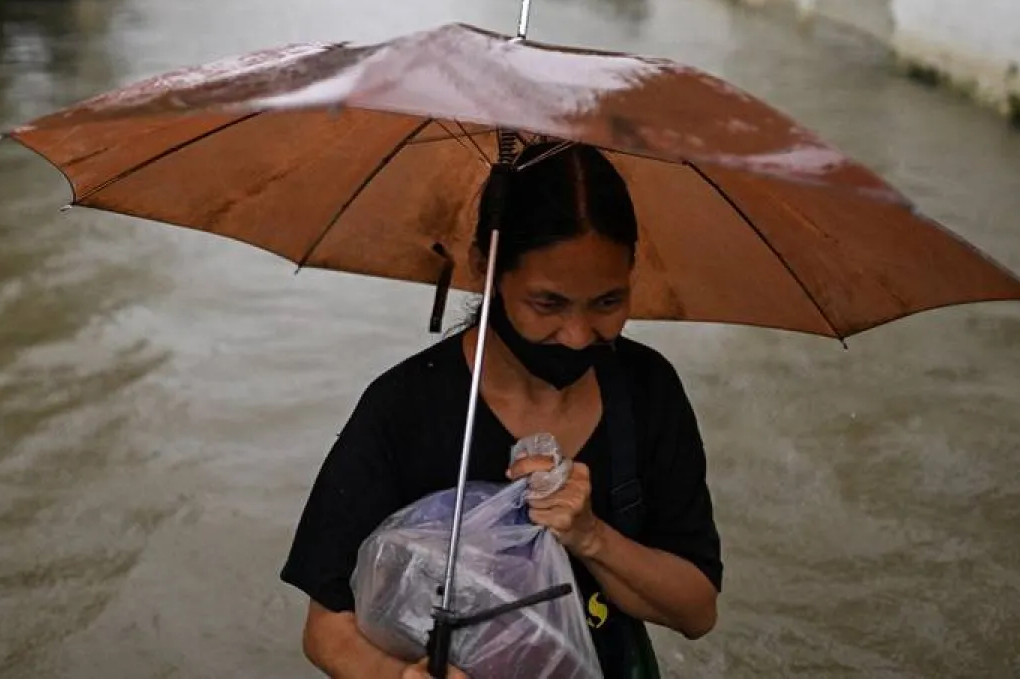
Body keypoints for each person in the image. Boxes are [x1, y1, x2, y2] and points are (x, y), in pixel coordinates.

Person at [280, 142, 723, 678]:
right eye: (549, 304)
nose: (580, 336)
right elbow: (326, 630)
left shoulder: (646, 390)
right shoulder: (404, 408)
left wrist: (592, 537)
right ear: (485, 269)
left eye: (608, 302)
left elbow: (696, 611)